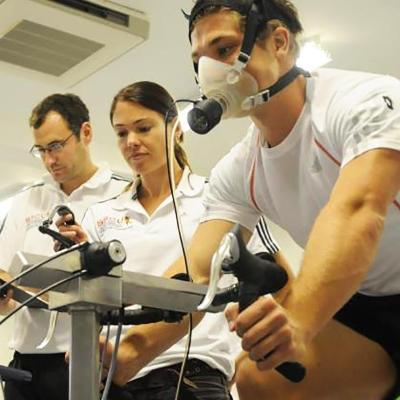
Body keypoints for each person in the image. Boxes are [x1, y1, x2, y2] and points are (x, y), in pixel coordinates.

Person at [179, 1, 400, 399]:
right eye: (199, 60)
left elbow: (358, 212)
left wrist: (298, 320)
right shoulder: (240, 168)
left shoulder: (363, 100)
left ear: (279, 42)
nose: (209, 70)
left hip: (363, 285)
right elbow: (200, 271)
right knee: (259, 377)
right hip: (364, 305)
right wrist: (130, 345)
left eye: (224, 49)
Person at [56, 80, 287, 400]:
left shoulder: (218, 199)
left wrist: (245, 359)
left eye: (143, 128)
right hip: (118, 380)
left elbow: (272, 276)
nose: (131, 141)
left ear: (176, 128)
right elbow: (95, 301)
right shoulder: (100, 215)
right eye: (121, 133)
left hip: (193, 374)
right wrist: (81, 259)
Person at [0, 93, 129, 400]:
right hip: (25, 364)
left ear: (86, 132)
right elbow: (4, 271)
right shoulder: (28, 200)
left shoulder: (122, 193)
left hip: (85, 358)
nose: (49, 160)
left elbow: (130, 279)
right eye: (41, 150)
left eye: (56, 147)